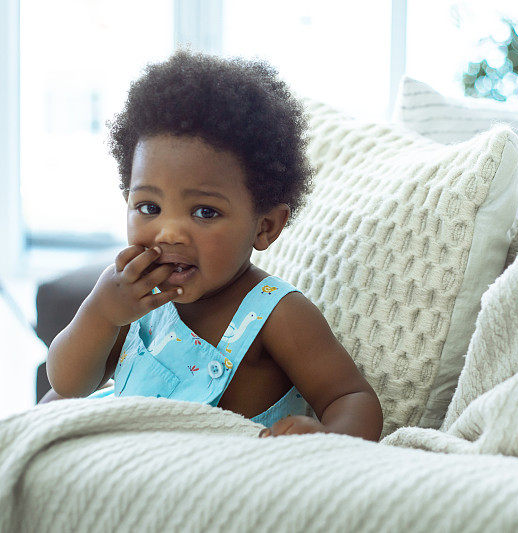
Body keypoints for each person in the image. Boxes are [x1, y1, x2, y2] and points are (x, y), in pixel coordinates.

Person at [40, 50, 383, 442]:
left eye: (204, 212)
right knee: (51, 404)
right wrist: (100, 315)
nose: (169, 233)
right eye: (149, 207)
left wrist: (327, 441)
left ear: (265, 226)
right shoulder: (132, 297)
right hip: (129, 469)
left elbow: (350, 396)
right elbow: (69, 383)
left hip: (216, 483)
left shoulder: (276, 313)